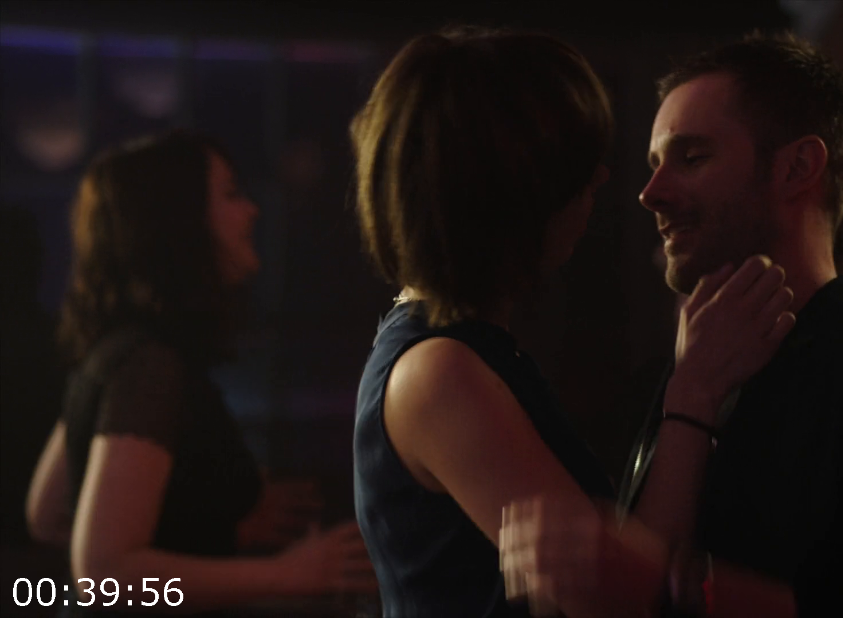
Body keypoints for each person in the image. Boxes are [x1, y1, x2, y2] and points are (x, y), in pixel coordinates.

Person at [500, 31, 843, 617]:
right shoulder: (683, 375)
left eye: (692, 158)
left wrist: (675, 587)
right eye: (655, 165)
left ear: (797, 168)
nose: (650, 193)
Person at [350, 27, 798, 617]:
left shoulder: (465, 348)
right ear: (516, 187)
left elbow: (618, 565)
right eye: (579, 162)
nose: (602, 179)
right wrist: (694, 391)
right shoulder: (440, 372)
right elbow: (616, 597)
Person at [24, 131, 374, 616]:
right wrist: (293, 573)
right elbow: (103, 575)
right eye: (230, 194)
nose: (251, 210)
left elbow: (48, 515)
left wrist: (208, 528)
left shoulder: (117, 349)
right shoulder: (151, 367)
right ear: (179, 221)